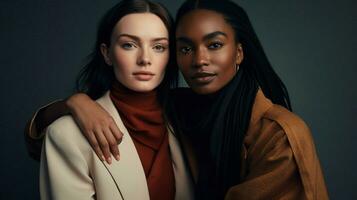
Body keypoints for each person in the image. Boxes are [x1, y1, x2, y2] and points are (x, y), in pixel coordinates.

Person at [26, 0, 329, 199]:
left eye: (214, 44)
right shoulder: (183, 108)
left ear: (239, 51)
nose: (199, 60)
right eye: (185, 48)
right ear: (107, 52)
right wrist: (75, 102)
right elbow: (44, 138)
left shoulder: (277, 134)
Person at [35, 0, 194, 199]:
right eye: (129, 45)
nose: (145, 58)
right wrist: (74, 102)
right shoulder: (66, 134)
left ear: (171, 55)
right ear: (107, 53)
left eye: (159, 47)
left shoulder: (189, 118)